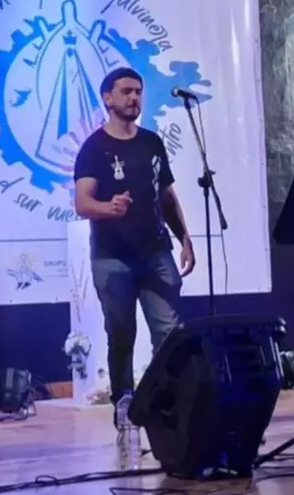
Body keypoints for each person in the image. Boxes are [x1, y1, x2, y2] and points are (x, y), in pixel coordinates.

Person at [73, 67, 196, 419]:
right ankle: (125, 404)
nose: (133, 97)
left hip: (156, 252)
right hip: (112, 258)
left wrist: (184, 237)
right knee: (121, 332)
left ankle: (165, 402)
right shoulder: (94, 148)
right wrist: (107, 208)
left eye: (138, 91)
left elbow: (166, 195)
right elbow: (82, 203)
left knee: (168, 331)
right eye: (126, 91)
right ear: (107, 98)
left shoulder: (152, 143)